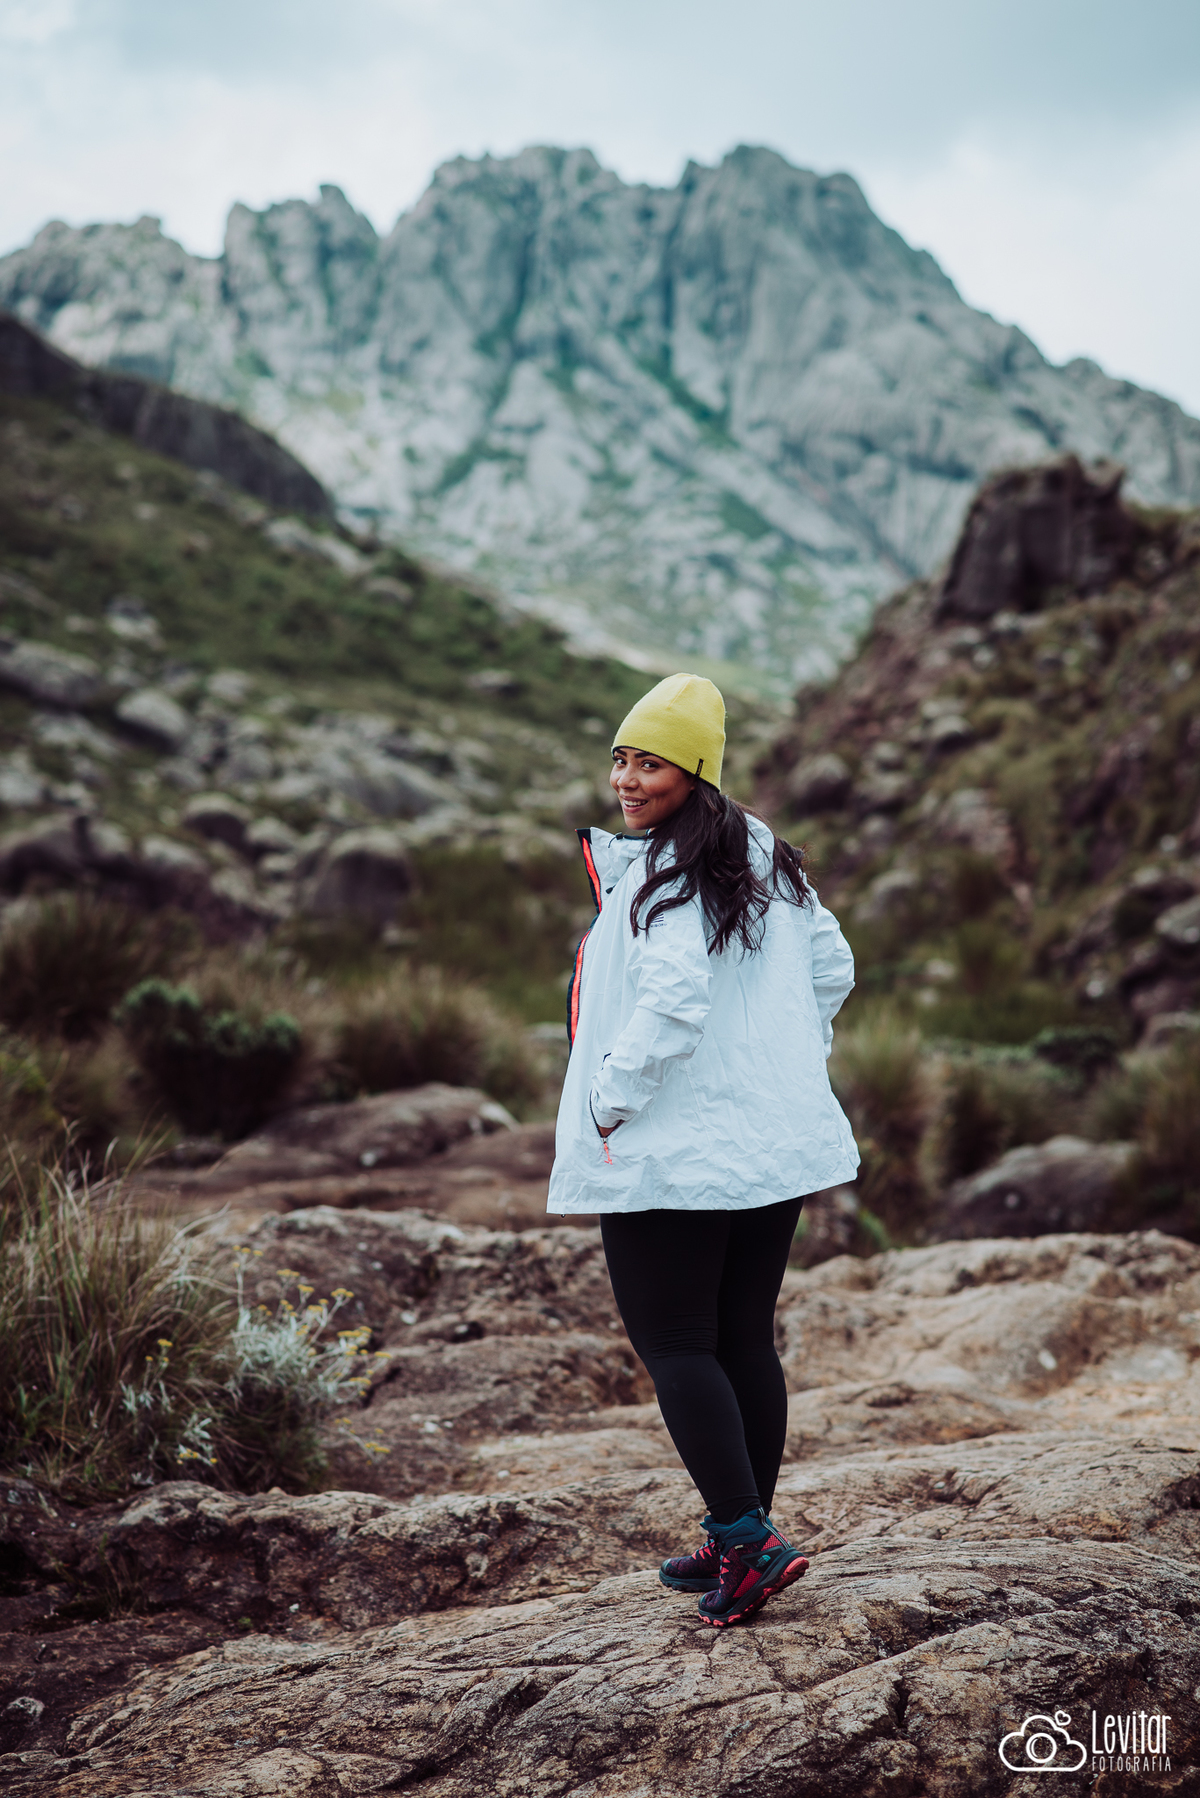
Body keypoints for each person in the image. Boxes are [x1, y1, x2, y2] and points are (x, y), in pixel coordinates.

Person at [549, 672, 859, 1627]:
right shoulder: (767, 860)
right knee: (741, 1339)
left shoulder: (669, 872)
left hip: (676, 1151)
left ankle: (745, 1539)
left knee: (677, 1342)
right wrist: (784, 1061)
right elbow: (834, 968)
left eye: (649, 763)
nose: (626, 780)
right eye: (620, 759)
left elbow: (676, 999)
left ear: (695, 772)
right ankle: (742, 1531)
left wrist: (610, 1101)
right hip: (770, 1142)